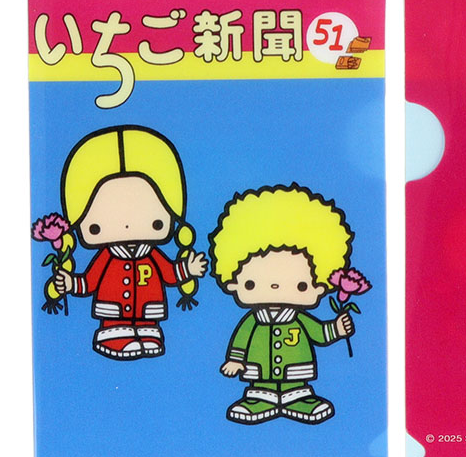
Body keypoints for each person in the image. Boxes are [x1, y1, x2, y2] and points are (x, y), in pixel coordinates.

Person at [50, 125, 207, 359]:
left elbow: (169, 273)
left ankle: (147, 334)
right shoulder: (107, 257)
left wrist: (188, 269)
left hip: (148, 312)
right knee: (115, 328)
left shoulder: (151, 254)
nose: (126, 225)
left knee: (149, 331)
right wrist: (71, 283)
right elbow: (90, 281)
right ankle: (114, 337)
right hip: (112, 313)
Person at [209, 184, 356, 425]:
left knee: (297, 390)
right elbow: (241, 340)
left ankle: (299, 399)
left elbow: (319, 332)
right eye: (253, 283)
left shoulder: (299, 318)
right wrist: (236, 359)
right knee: (259, 391)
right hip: (259, 373)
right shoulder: (253, 321)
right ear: (233, 281)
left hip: (296, 372)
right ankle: (259, 400)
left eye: (300, 285)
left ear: (319, 286)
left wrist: (337, 329)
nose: (276, 288)